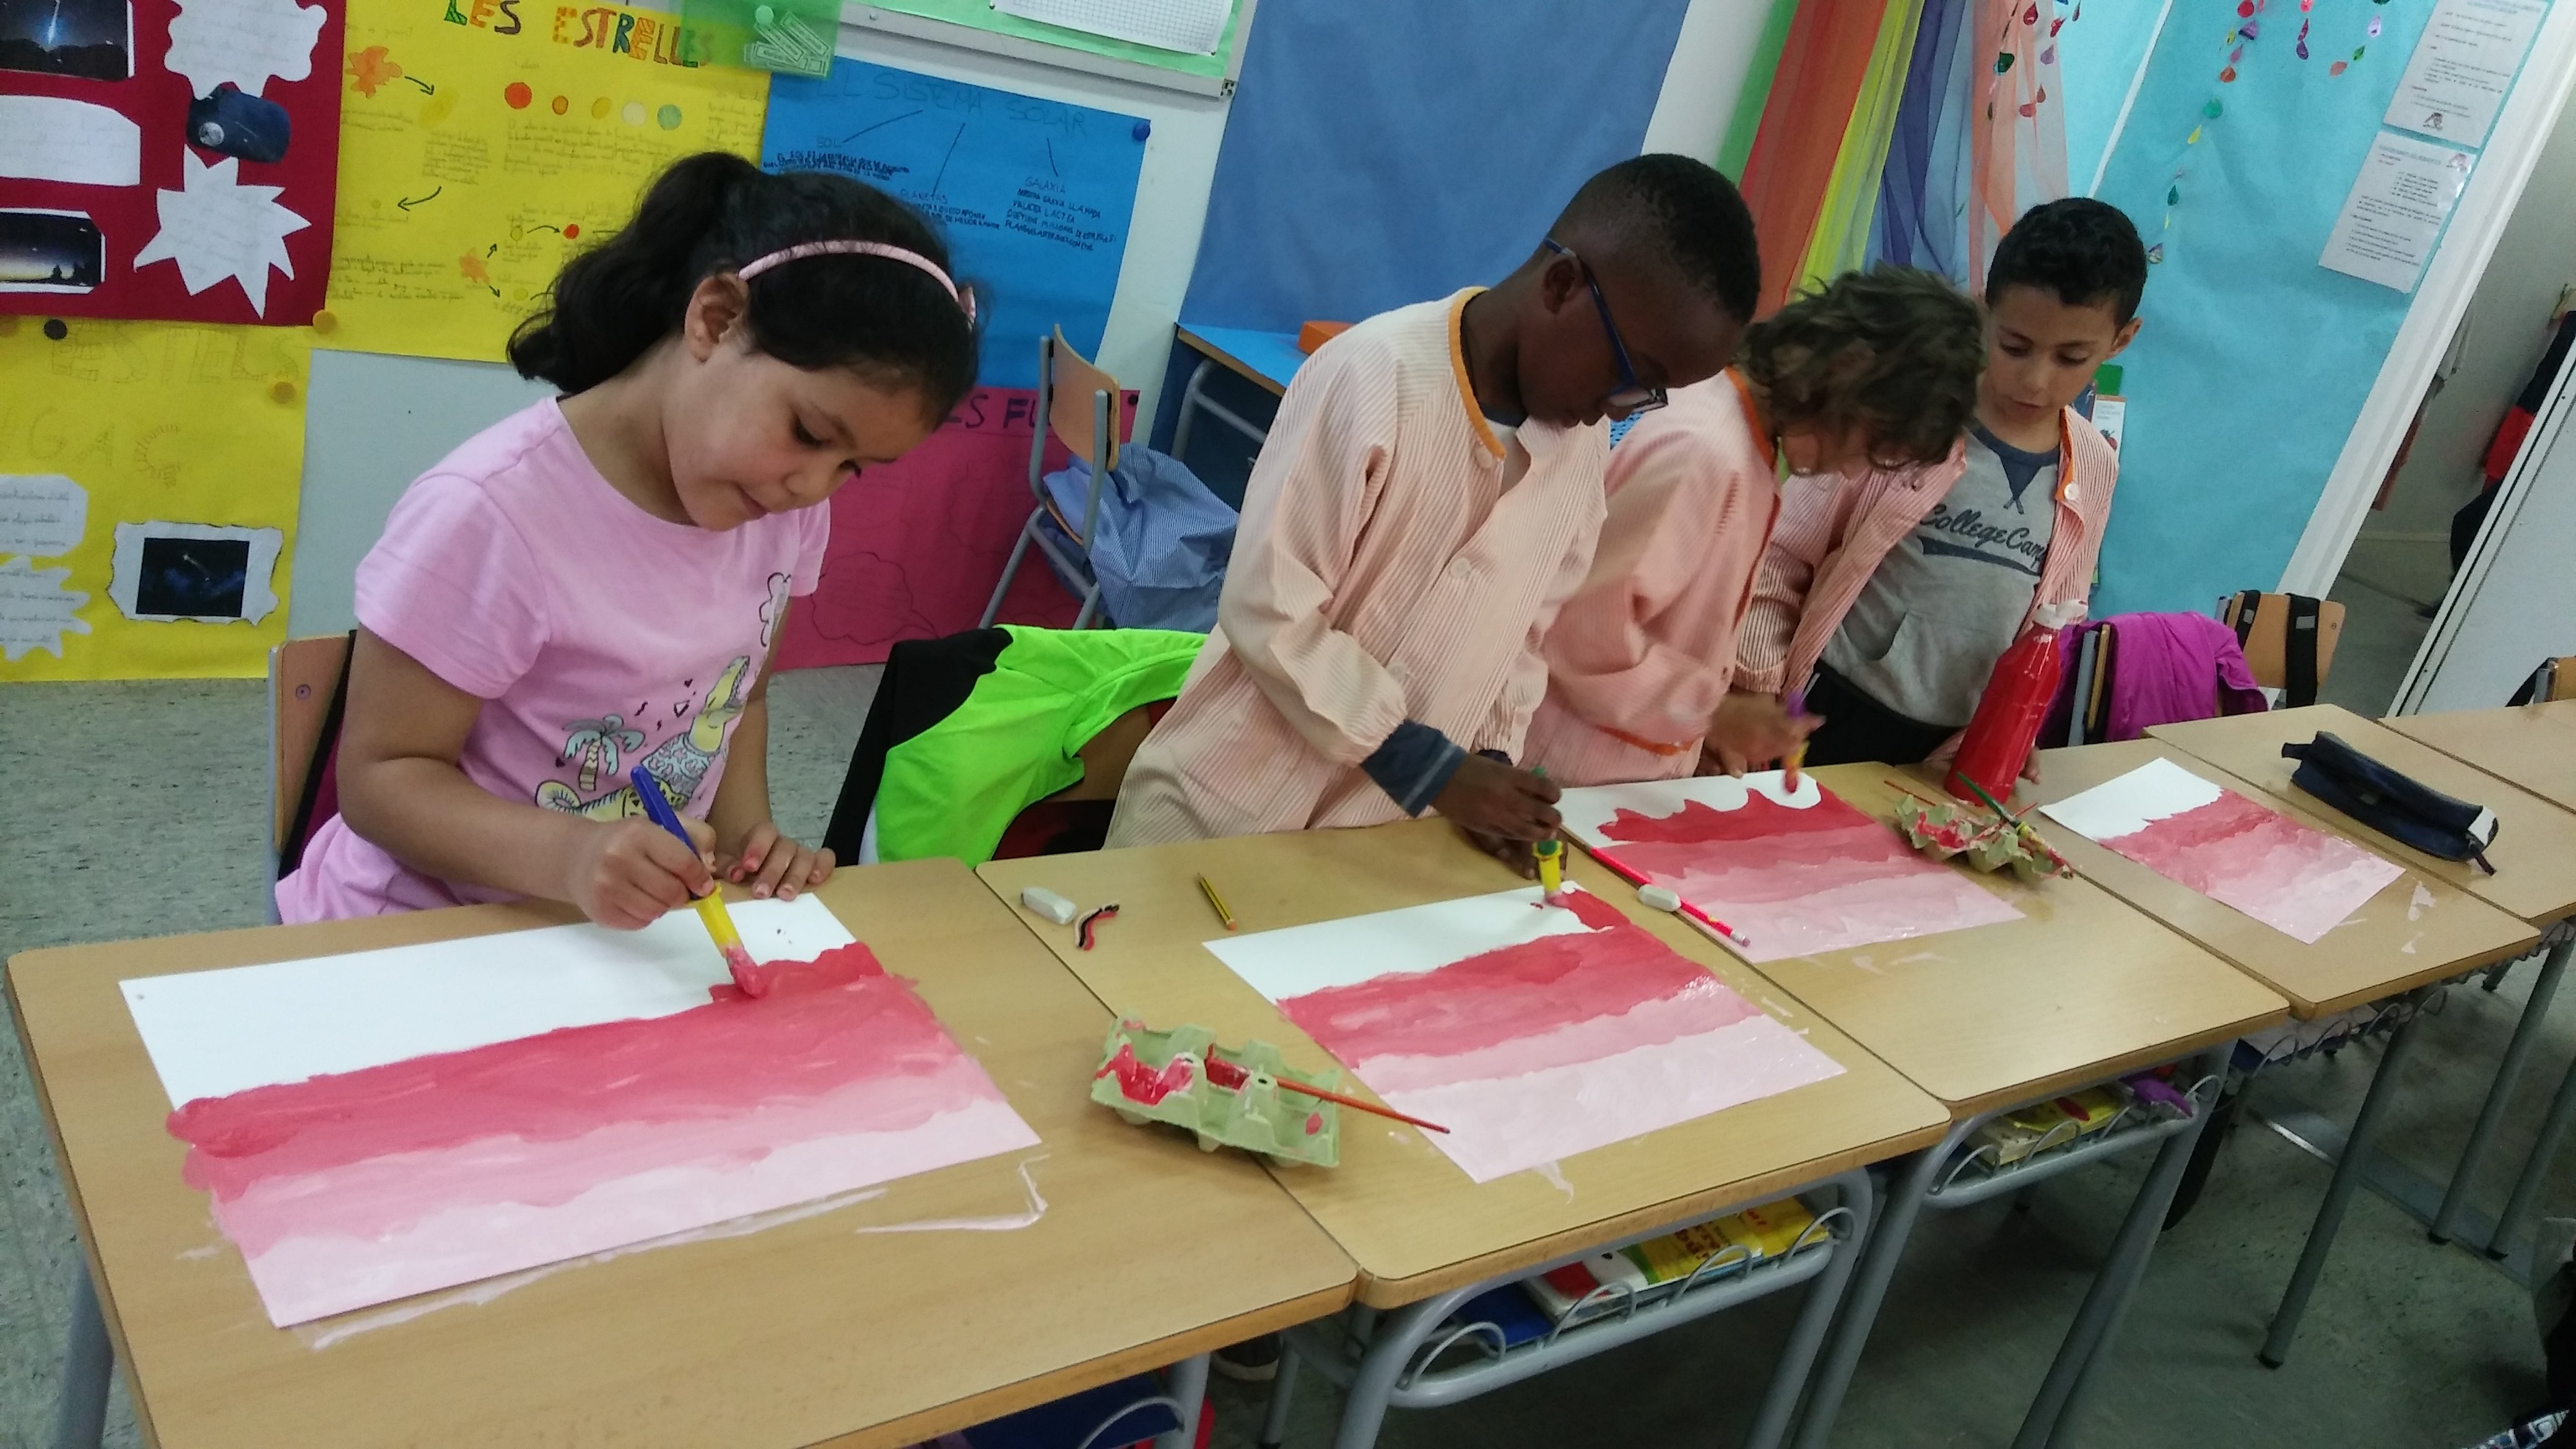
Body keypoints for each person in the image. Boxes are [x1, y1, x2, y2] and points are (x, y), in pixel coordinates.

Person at [277, 153, 979, 926]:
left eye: (852, 467)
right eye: (808, 433)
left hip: (614, 929)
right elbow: (381, 781)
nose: (812, 487)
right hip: (427, 927)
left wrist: (749, 844)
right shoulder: (490, 513)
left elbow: (738, 699)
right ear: (715, 318)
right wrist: (573, 857)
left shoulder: (781, 506)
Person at [1107, 154, 1762, 869]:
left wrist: (1493, 767)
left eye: (1645, 401)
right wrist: (1430, 768)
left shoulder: (1576, 455)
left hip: (1368, 847)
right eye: (1630, 377)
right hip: (1214, 819)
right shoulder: (1374, 376)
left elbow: (1524, 641)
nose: (1615, 409)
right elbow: (1269, 604)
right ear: (1561, 286)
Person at [1523, 266, 1985, 785]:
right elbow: (1581, 631)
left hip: (1612, 766)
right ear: (1847, 371)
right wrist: (1713, 714)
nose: (1854, 472)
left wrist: (1696, 734)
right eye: (1873, 446)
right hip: (1561, 772)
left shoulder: (1746, 447)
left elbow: (1669, 623)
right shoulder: (1704, 452)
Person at [1731, 196, 2147, 770]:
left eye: (2071, 357)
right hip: (1823, 708)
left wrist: (2011, 728)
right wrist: (1756, 683)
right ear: (1986, 311)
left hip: (1946, 748)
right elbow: (1782, 553)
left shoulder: (2095, 464)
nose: (2035, 379)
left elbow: (2059, 620)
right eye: (2015, 346)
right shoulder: (1911, 413)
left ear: (2121, 339)